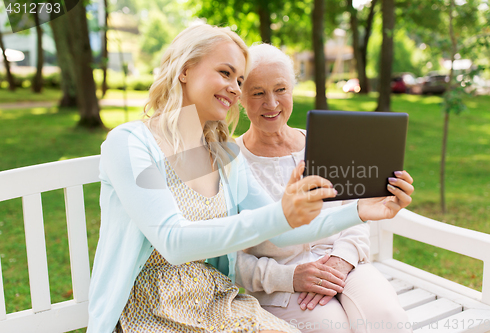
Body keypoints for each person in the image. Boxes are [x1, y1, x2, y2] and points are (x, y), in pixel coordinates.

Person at [87, 25, 413, 333]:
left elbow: (285, 233)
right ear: (184, 70)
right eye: (225, 73)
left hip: (214, 298)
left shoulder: (222, 152)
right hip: (151, 306)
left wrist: (359, 211)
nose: (234, 87)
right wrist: (282, 215)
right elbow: (173, 243)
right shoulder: (129, 142)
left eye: (239, 79)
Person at [235, 43, 414, 333]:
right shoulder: (231, 161)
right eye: (257, 93)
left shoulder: (325, 141)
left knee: (387, 320)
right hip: (280, 283)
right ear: (240, 96)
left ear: (292, 90)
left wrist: (342, 259)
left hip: (344, 262)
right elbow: (229, 255)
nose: (271, 103)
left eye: (280, 89)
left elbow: (356, 213)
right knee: (331, 328)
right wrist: (289, 277)